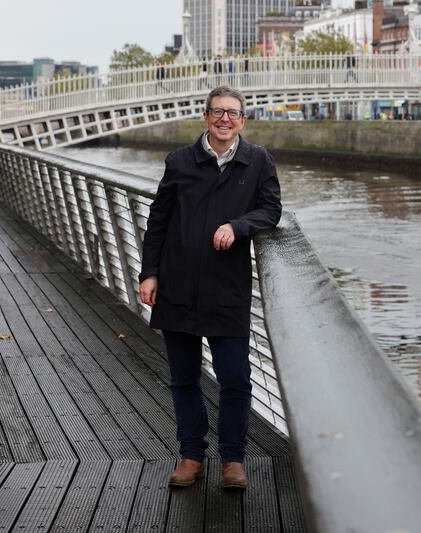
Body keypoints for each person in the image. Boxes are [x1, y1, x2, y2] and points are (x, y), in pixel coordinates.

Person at [139, 86, 282, 491]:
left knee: (235, 376)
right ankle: (190, 455)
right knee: (184, 378)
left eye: (233, 113)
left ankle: (233, 460)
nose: (225, 120)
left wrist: (238, 226)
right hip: (178, 283)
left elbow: (271, 210)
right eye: (218, 112)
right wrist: (149, 274)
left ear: (243, 120)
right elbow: (159, 221)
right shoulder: (181, 161)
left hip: (226, 287)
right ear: (205, 117)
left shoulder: (258, 161)